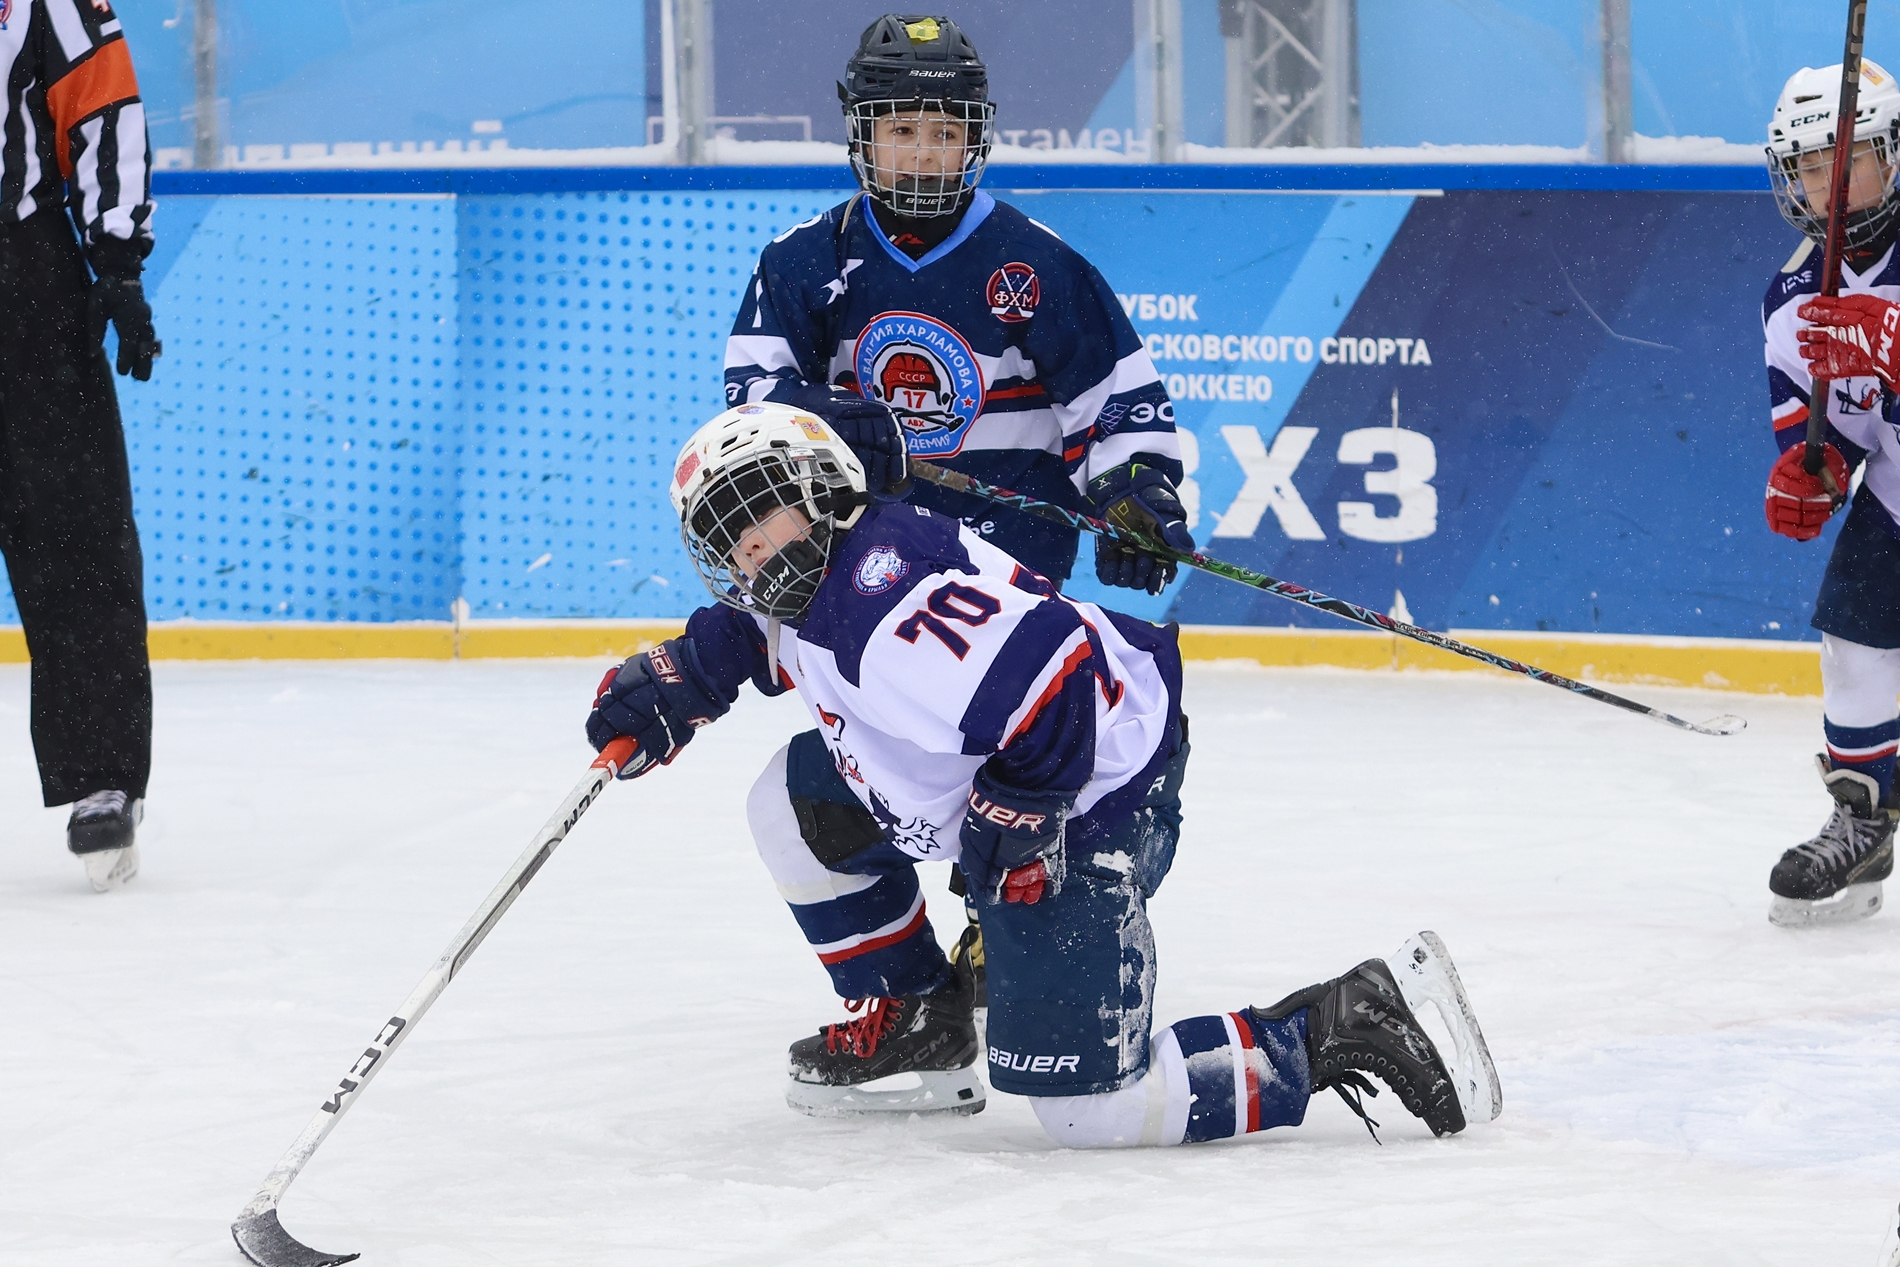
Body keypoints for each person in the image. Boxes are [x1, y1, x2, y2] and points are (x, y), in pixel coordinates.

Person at [585, 401, 1501, 1143]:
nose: (754, 552)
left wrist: (1021, 805)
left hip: (1093, 794)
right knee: (788, 803)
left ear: (822, 490)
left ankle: (1337, 1024)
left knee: (1095, 1112)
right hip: (1018, 769)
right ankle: (920, 1017)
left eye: (763, 517)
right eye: (733, 543)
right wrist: (682, 673)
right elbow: (757, 632)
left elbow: (1055, 667)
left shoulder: (883, 600)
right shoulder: (814, 577)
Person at [723, 12, 1193, 1028]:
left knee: (1009, 782)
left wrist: (1134, 490)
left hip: (1002, 603)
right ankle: (906, 1002)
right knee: (845, 793)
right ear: (862, 135)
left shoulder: (1034, 263)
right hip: (867, 602)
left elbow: (1117, 405)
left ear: (975, 136)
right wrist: (826, 418)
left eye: (945, 132)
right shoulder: (805, 264)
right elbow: (751, 416)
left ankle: (1001, 921)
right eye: (903, 131)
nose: (925, 153)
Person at [1, 1, 162, 892]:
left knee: (77, 531)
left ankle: (103, 776)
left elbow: (104, 107)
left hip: (23, 282)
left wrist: (117, 263)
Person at [1759, 61, 1900, 927]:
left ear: (1892, 156)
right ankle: (1865, 814)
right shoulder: (1791, 299)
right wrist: (1813, 471)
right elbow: (1834, 432)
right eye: (1811, 167)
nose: (1828, 184)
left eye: (1847, 161)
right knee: (1852, 635)